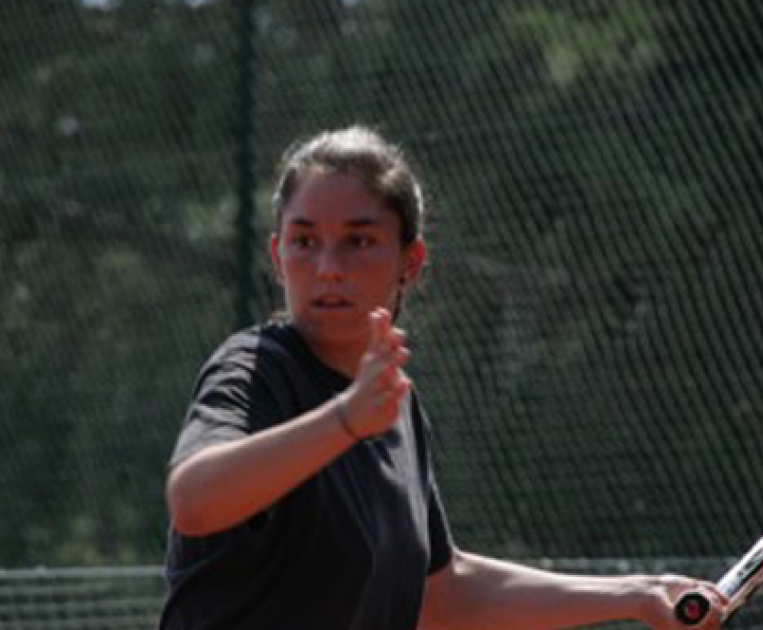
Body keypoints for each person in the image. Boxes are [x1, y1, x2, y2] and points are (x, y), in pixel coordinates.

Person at [158, 126, 726, 629]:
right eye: (304, 241)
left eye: (359, 240)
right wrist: (344, 420)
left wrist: (637, 594)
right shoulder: (256, 368)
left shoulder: (394, 408)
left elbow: (442, 592)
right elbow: (194, 500)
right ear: (278, 256)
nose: (328, 267)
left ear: (411, 261)